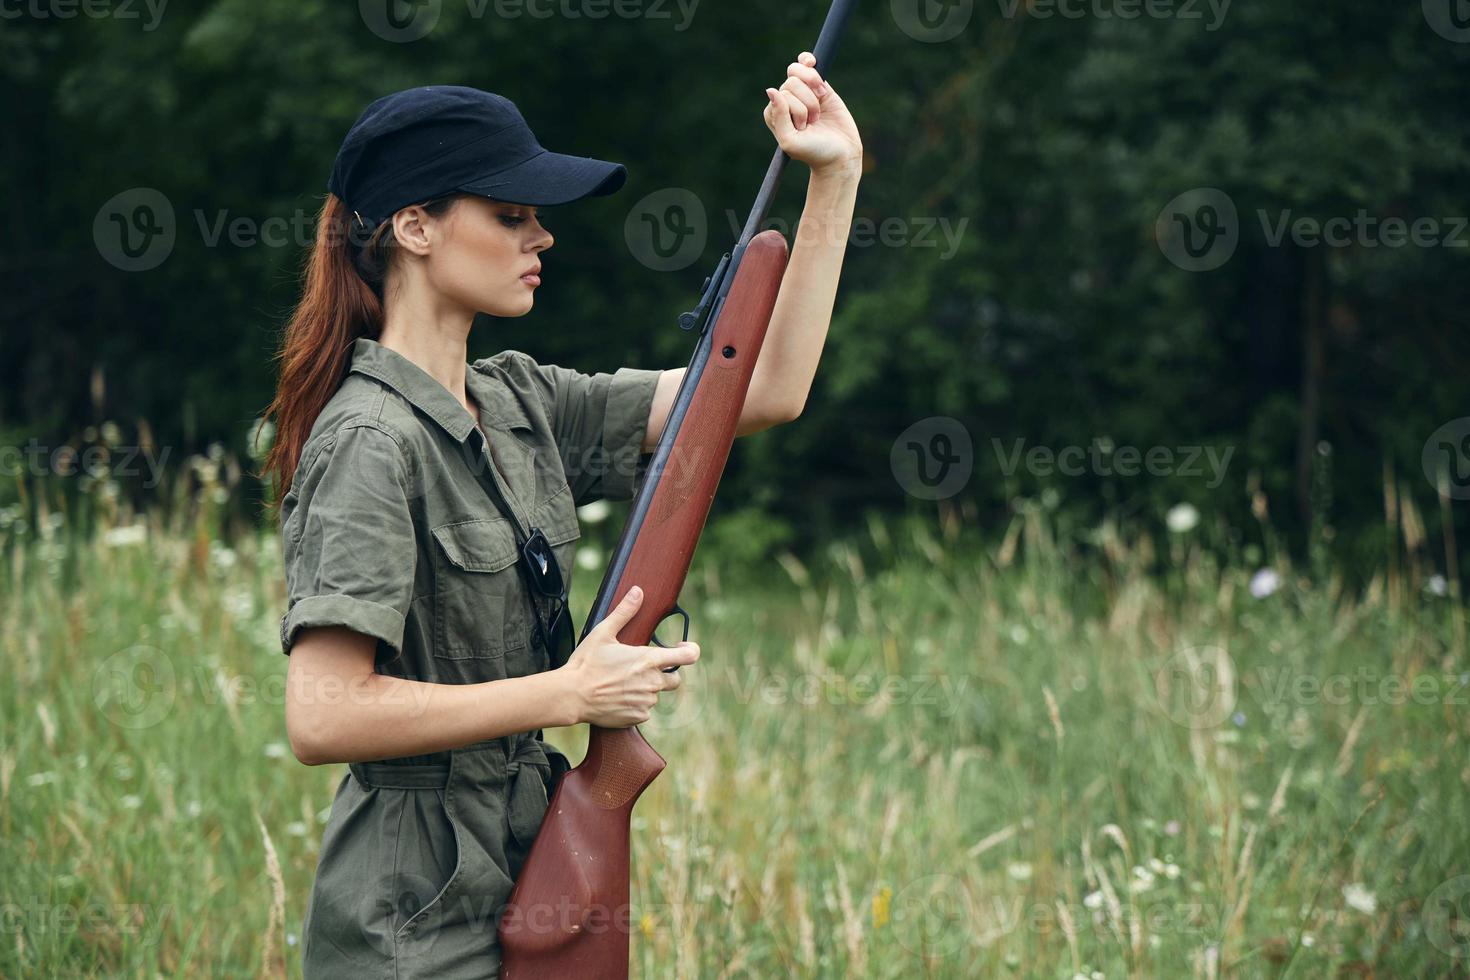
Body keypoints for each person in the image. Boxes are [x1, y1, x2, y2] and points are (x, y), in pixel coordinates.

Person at [256, 51, 861, 978]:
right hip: (408, 920)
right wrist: (568, 695)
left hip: (531, 860)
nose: (542, 238)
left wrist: (834, 179)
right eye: (510, 215)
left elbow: (765, 388)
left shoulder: (520, 400)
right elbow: (325, 714)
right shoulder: (370, 440)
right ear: (414, 227)